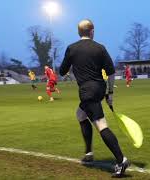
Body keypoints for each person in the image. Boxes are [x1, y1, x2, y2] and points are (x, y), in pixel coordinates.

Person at [59, 19, 129, 178]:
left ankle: (121, 160)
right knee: (80, 114)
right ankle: (89, 152)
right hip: (99, 88)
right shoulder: (100, 48)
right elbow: (111, 73)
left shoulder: (71, 48)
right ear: (92, 32)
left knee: (101, 124)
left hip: (87, 91)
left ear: (79, 32)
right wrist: (110, 93)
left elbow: (62, 71)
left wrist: (72, 66)